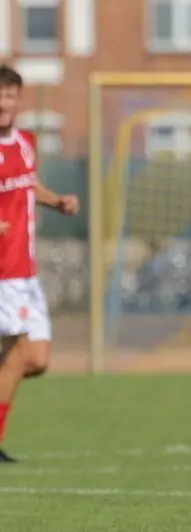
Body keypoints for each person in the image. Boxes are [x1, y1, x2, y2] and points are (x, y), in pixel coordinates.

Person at [0, 65, 80, 463]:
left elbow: (27, 182)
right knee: (15, 354)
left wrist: (57, 201)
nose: (5, 102)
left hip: (24, 271)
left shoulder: (26, 142)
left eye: (11, 95)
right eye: (0, 94)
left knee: (36, 359)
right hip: (2, 273)